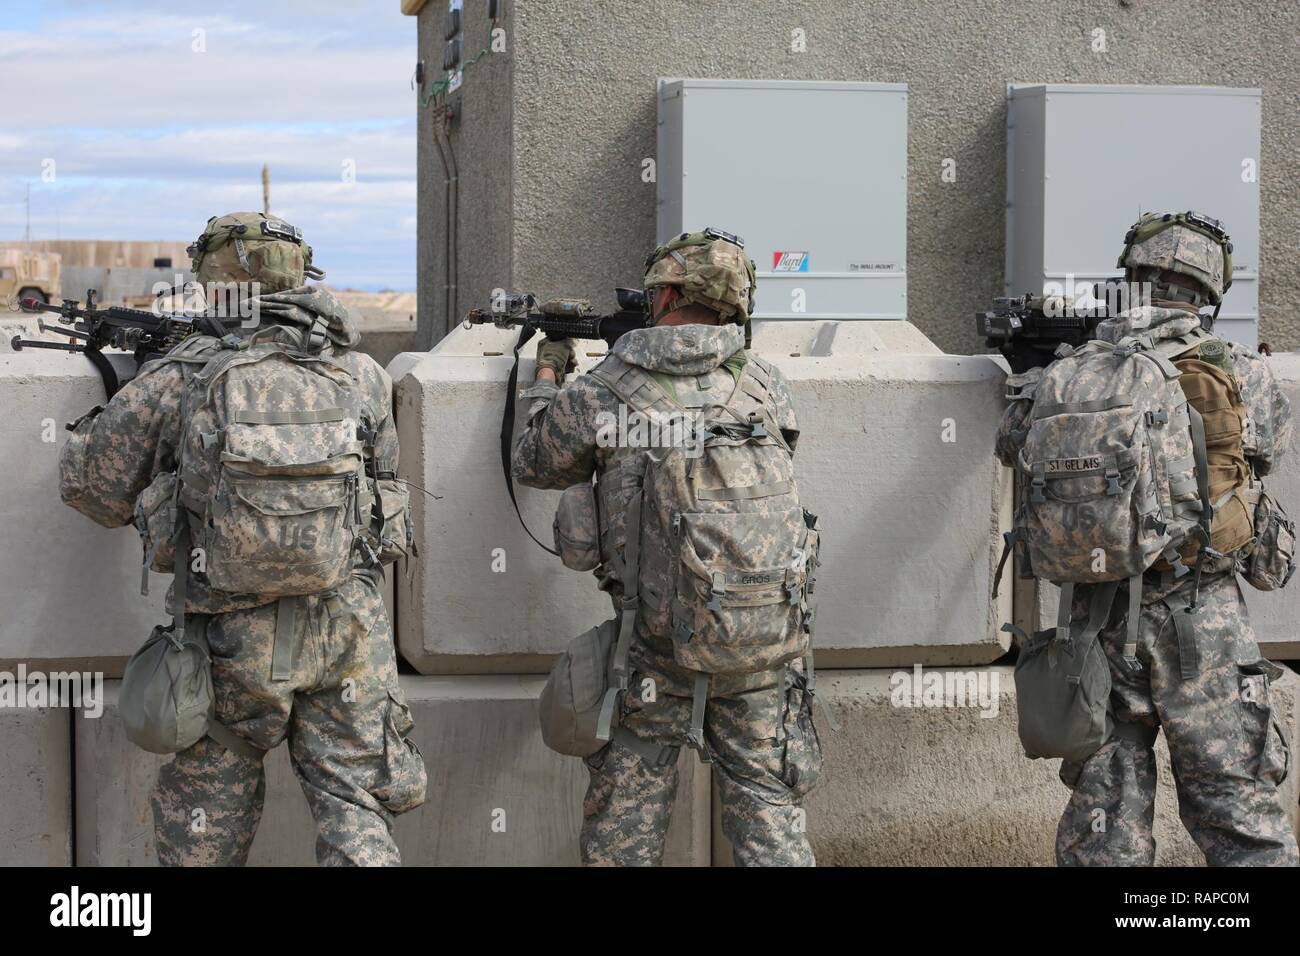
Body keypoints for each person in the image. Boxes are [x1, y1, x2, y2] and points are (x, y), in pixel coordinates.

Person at [59, 212, 426, 866]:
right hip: (349, 630)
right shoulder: (361, 373)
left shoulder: (184, 376)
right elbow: (383, 497)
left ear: (214, 281)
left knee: (205, 828)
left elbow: (97, 491)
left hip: (232, 644)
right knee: (356, 813)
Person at [996, 211, 1298, 866]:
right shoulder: (1241, 372)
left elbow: (1010, 446)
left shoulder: (1069, 371)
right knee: (1234, 807)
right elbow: (1262, 455)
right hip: (1202, 622)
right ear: (1209, 290)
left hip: (1096, 624)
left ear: (1130, 277)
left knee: (1104, 817)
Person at [513, 229, 823, 866]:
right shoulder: (767, 385)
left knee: (625, 831)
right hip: (760, 648)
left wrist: (549, 370)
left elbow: (536, 461)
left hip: (652, 657)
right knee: (772, 827)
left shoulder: (606, 389)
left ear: (670, 293)